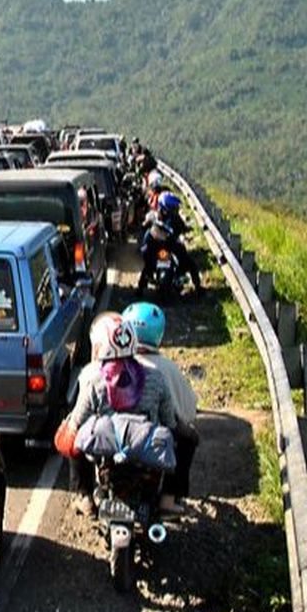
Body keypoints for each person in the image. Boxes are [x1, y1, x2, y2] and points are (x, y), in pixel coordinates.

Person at [65, 313, 179, 517]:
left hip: (105, 455)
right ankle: (168, 500)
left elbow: (76, 422)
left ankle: (84, 496)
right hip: (146, 455)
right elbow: (169, 421)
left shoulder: (95, 381)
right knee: (180, 438)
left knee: (72, 436)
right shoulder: (156, 378)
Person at [121, 302, 199, 515]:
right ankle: (169, 497)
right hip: (152, 436)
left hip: (116, 434)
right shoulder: (167, 369)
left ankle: (87, 496)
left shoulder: (112, 363)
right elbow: (188, 411)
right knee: (189, 439)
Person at [137, 191, 203, 297]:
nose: (175, 210)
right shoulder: (153, 216)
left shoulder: (175, 219)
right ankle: (140, 288)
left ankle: (198, 288)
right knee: (148, 265)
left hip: (169, 246)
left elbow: (183, 228)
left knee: (189, 262)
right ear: (165, 207)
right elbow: (144, 226)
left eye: (175, 208)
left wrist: (187, 230)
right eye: (173, 208)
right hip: (155, 247)